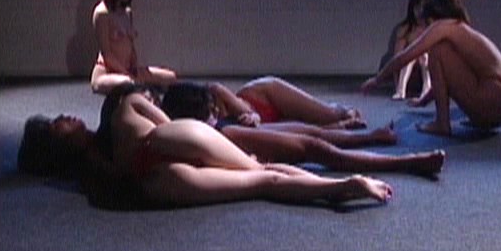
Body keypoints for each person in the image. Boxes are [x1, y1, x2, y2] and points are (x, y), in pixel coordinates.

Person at [17, 85, 394, 209]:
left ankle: (345, 186)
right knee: (261, 173)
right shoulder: (119, 112)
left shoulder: (92, 172)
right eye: (56, 123)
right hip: (164, 146)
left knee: (263, 179)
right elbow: (169, 122)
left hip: (156, 176)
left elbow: (125, 186)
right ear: (56, 142)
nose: (64, 116)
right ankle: (346, 183)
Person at [159, 82, 445, 177]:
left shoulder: (210, 113)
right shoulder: (214, 130)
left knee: (311, 132)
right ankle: (407, 162)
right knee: (316, 149)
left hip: (230, 130)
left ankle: (372, 137)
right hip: (231, 137)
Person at [361, 0, 501, 136]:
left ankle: (442, 123)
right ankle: (447, 121)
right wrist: (424, 100)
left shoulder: (444, 27)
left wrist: (377, 79)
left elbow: (406, 56)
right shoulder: (459, 28)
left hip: (494, 101)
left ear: (433, 18)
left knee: (437, 50)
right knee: (441, 52)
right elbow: (449, 77)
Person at [90, 0, 177, 95]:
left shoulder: (127, 12)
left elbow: (130, 45)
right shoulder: (101, 13)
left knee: (170, 77)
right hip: (107, 72)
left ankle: (142, 86)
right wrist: (126, 73)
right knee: (129, 83)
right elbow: (107, 54)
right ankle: (140, 89)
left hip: (129, 69)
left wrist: (134, 66)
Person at [209, 76, 367, 129]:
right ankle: (341, 123)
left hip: (264, 97)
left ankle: (345, 111)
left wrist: (252, 117)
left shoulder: (214, 92)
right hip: (265, 124)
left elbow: (252, 114)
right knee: (307, 130)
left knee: (328, 115)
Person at [379, 0, 434, 100]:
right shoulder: (405, 29)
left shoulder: (434, 28)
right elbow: (398, 58)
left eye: (423, 8)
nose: (420, 12)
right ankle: (401, 90)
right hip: (409, 76)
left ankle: (427, 89)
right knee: (411, 54)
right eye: (417, 7)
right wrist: (397, 86)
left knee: (423, 55)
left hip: (430, 73)